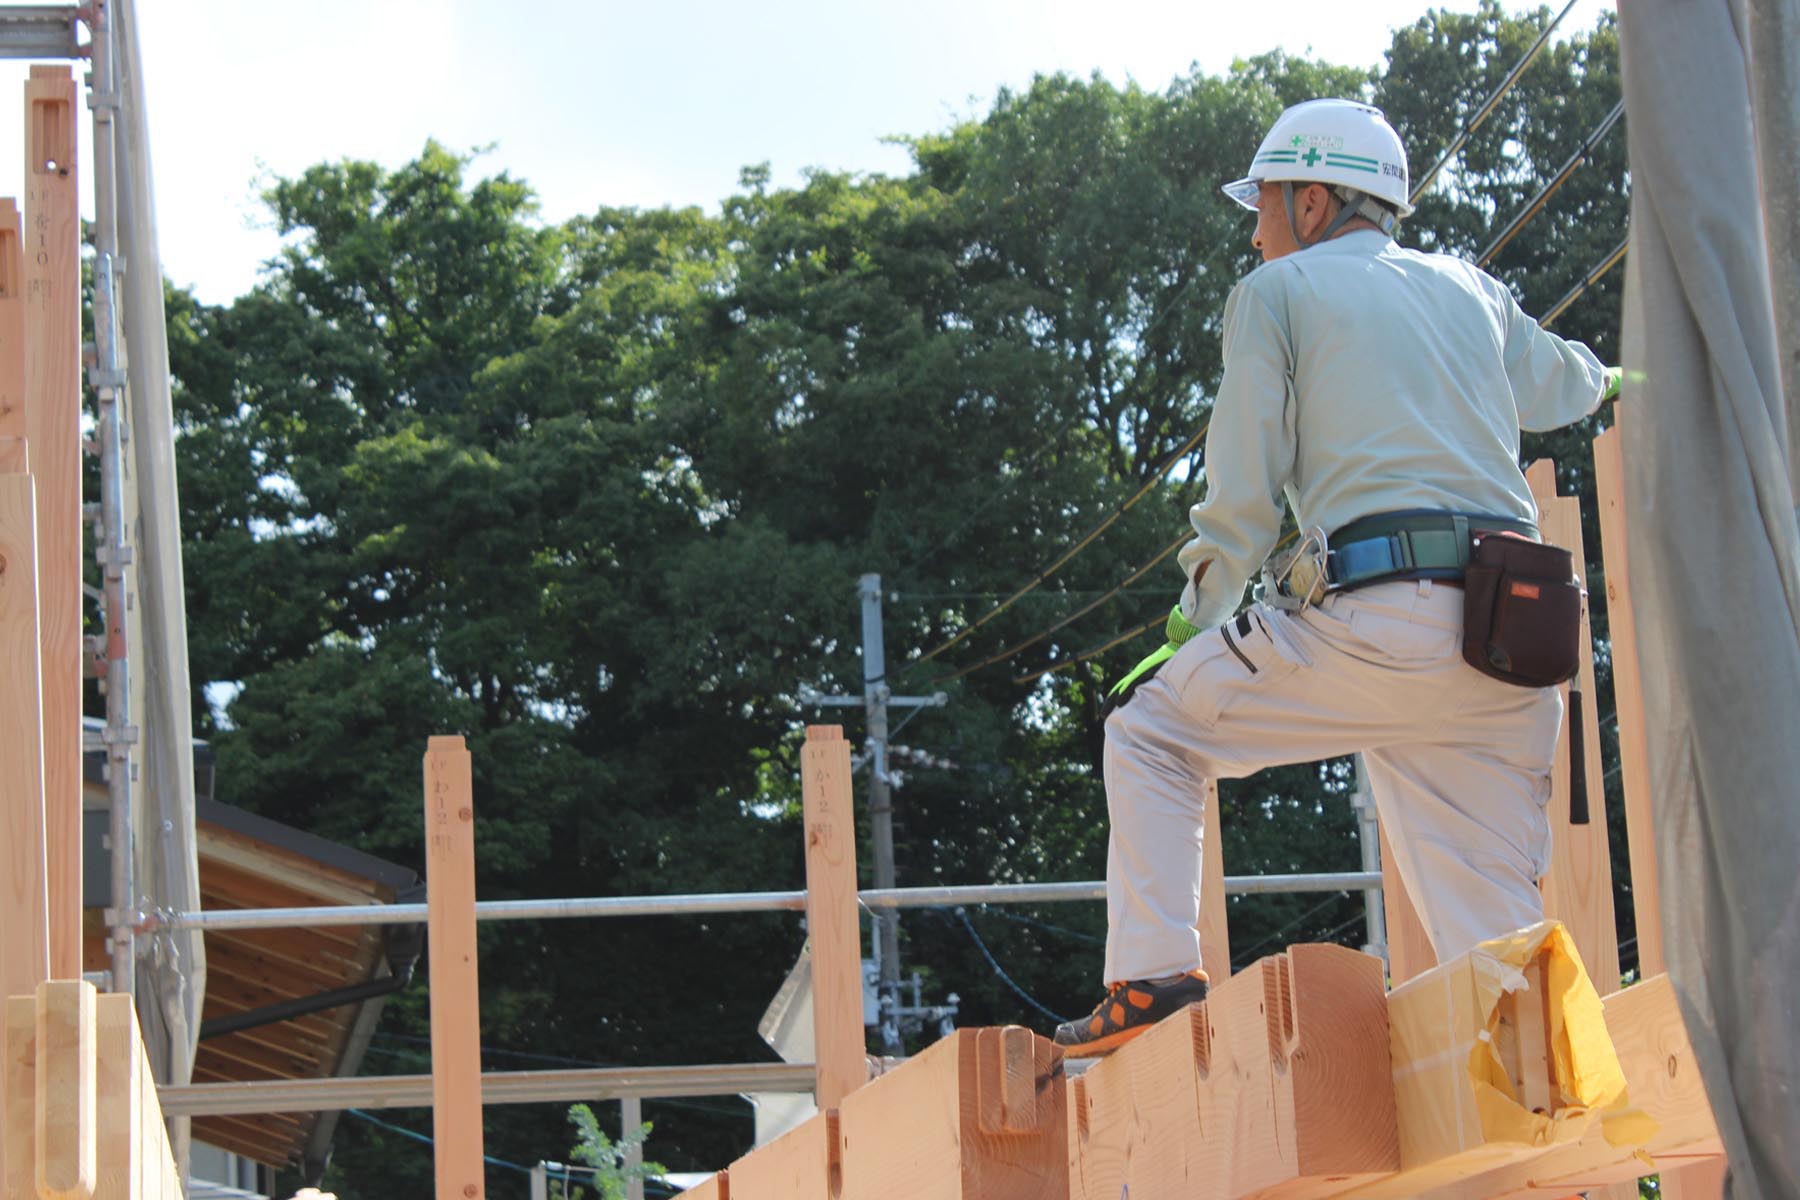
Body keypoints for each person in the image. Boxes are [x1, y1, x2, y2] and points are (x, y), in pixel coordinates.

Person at [1052, 98, 1619, 1057]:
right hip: (1510, 646)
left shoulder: (1276, 295)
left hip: (1375, 619)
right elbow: (1559, 383)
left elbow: (1242, 492)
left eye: (1264, 205)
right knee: (1494, 944)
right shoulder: (1470, 291)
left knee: (1150, 734)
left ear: (1313, 202)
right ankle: (1549, 1109)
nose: (1259, 227)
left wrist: (1197, 619)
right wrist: (1616, 378)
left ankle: (1152, 983)